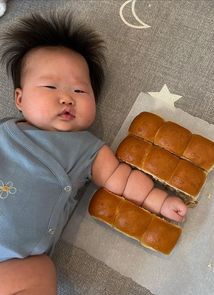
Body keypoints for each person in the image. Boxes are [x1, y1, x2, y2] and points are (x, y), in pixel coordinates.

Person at [0, 12, 187, 294]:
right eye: (50, 86)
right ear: (20, 99)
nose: (66, 97)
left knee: (41, 271)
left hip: (15, 268)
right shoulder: (5, 133)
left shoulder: (88, 148)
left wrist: (159, 201)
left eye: (80, 90)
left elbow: (121, 179)